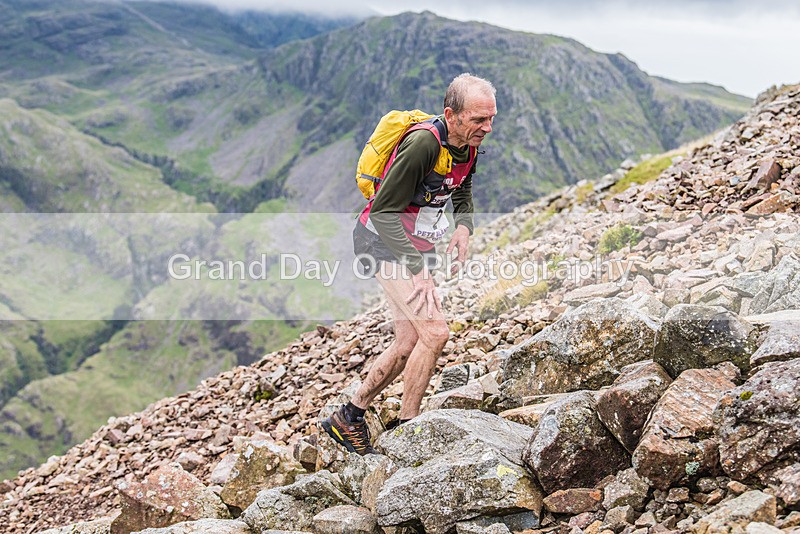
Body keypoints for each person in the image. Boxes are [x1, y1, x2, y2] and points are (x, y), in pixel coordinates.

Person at [320, 73, 497, 455]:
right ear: (451, 115)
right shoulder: (422, 145)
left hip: (409, 244)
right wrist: (418, 268)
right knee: (435, 333)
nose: (488, 128)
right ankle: (407, 429)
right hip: (381, 242)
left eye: (491, 118)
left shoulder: (468, 144)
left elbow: (463, 187)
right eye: (479, 120)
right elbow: (383, 211)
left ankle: (348, 416)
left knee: (407, 343)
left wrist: (464, 226)